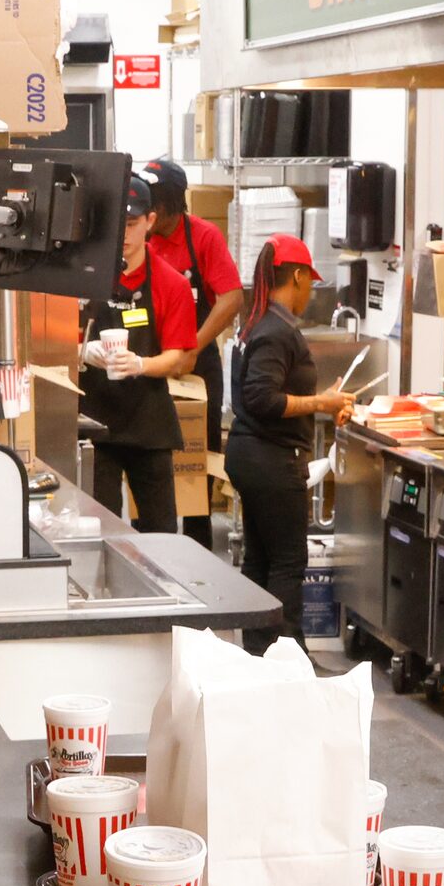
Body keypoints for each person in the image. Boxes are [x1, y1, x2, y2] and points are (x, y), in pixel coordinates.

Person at [224, 235, 355, 655]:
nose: (308, 293)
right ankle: (287, 661)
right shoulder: (276, 331)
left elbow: (269, 392)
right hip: (270, 461)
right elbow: (264, 398)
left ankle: (257, 655)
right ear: (297, 276)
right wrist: (321, 402)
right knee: (287, 562)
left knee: (260, 560)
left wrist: (324, 399)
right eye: (308, 282)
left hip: (252, 456)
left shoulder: (256, 324)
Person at [79, 173, 200, 536]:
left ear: (149, 222)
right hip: (95, 423)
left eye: (132, 224)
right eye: (118, 224)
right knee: (100, 527)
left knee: (160, 530)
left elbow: (179, 357)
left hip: (148, 422)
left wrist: (142, 364)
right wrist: (84, 351)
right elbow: (49, 347)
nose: (124, 235)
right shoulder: (82, 279)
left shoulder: (172, 283)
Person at [143, 160, 245, 532]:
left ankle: (199, 554)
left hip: (198, 373)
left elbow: (231, 298)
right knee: (151, 469)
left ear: (175, 205)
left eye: (158, 209)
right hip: (151, 369)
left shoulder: (202, 237)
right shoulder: (140, 236)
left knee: (195, 470)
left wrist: (191, 347)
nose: (151, 216)